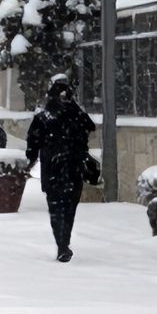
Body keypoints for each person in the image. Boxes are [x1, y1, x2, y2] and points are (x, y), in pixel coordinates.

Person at [26, 75, 96, 263]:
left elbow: (33, 143)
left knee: (56, 208)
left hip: (53, 169)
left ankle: (62, 245)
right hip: (73, 169)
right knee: (69, 208)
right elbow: (90, 127)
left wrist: (30, 161)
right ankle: (64, 242)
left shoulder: (44, 118)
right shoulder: (76, 115)